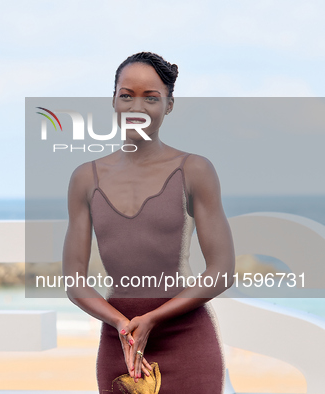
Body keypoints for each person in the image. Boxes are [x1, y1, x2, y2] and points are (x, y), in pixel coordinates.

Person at [62, 52, 236, 393]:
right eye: (126, 95)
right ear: (113, 100)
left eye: (151, 97)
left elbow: (222, 271)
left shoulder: (195, 170)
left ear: (169, 105)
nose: (136, 107)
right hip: (121, 345)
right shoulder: (85, 178)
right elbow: (74, 281)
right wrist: (121, 324)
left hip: (187, 341)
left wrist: (153, 318)